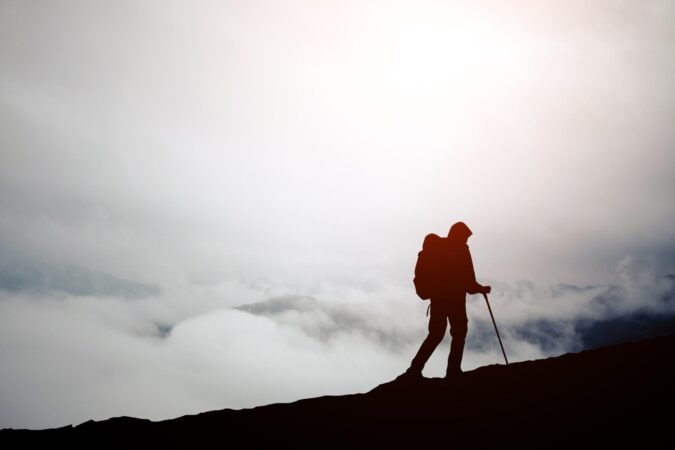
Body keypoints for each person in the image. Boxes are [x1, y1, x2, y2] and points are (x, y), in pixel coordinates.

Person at [403, 221, 491, 380]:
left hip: (438, 299)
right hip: (455, 299)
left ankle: (415, 369)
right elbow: (469, 281)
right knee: (459, 333)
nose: (466, 240)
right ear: (459, 235)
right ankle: (453, 371)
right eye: (465, 237)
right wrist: (481, 289)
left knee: (435, 334)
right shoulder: (461, 249)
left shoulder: (436, 249)